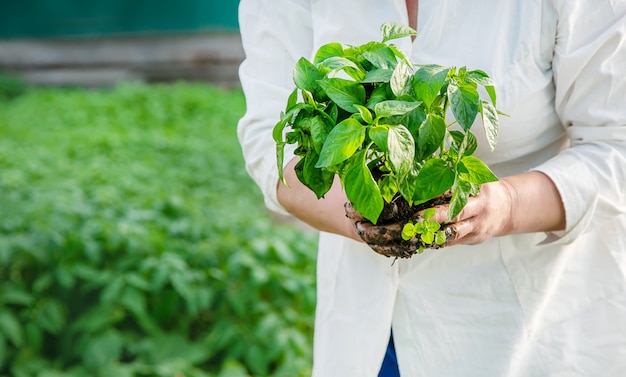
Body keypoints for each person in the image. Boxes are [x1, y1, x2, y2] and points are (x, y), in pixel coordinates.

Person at [236, 0, 626, 376]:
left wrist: (503, 204)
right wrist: (365, 214)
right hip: (366, 329)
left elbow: (615, 146)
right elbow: (271, 141)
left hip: (525, 331)